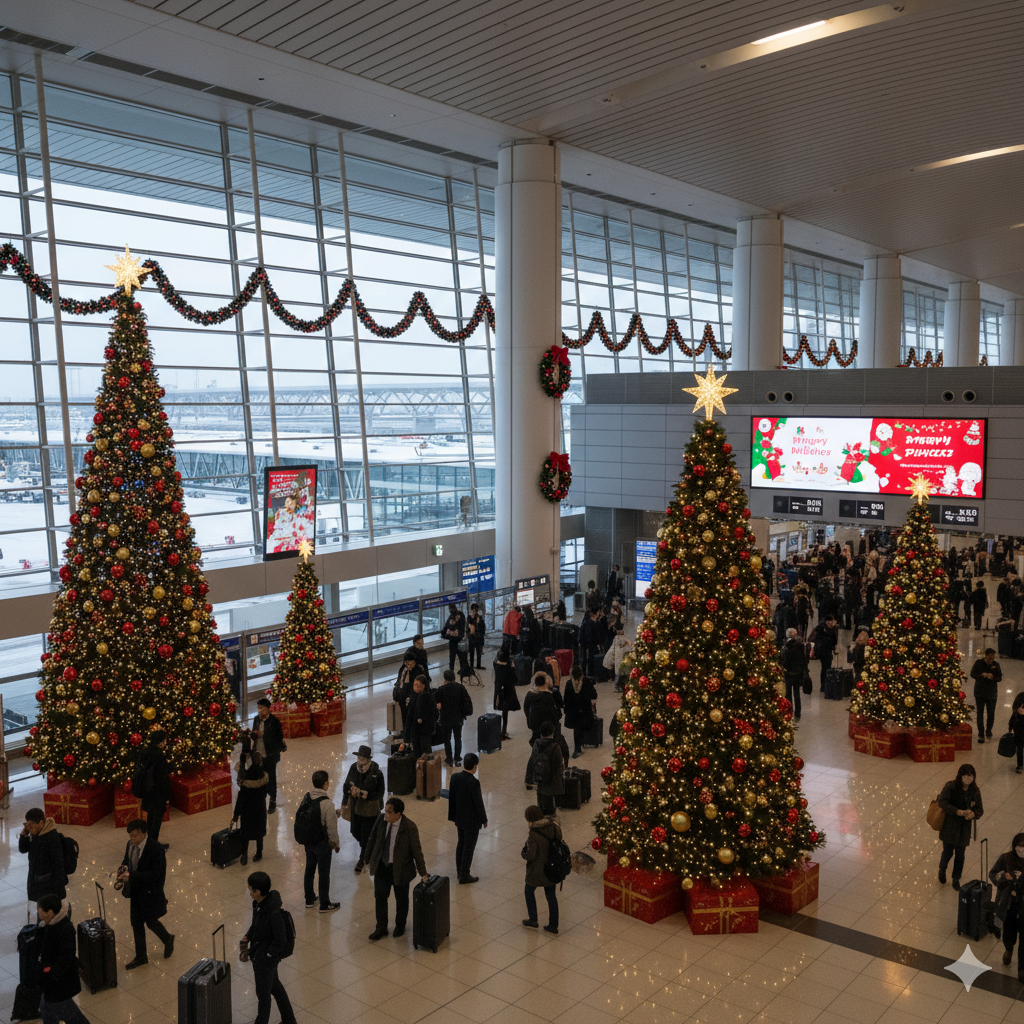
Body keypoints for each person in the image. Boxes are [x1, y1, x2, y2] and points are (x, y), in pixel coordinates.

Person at [365, 797, 429, 940]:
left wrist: (423, 873)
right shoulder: (381, 820)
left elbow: (417, 852)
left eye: (389, 812)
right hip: (382, 866)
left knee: (401, 899)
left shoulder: (409, 827)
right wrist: (366, 858)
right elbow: (372, 838)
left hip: (401, 869)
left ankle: (400, 925)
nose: (386, 814)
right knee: (380, 897)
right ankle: (381, 927)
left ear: (398, 813)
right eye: (385, 810)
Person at [116, 818, 173, 970]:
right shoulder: (130, 845)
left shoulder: (156, 849)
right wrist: (123, 869)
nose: (133, 839)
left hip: (150, 892)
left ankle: (167, 938)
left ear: (144, 833)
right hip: (135, 890)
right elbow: (127, 860)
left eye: (135, 835)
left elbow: (155, 874)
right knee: (136, 923)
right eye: (130, 835)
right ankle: (141, 956)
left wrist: (132, 875)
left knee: (151, 921)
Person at [242, 871, 295, 1024]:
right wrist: (248, 936)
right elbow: (256, 925)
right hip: (260, 953)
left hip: (265, 959)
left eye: (250, 889)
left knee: (263, 994)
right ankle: (289, 1020)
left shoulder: (273, 913)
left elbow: (280, 939)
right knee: (275, 986)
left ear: (257, 892)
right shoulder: (258, 904)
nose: (249, 891)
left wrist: (268, 956)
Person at [35, 893, 90, 1024]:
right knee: (50, 1010)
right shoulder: (49, 925)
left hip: (59, 984)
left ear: (50, 912)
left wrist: (52, 976)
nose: (38, 914)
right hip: (53, 984)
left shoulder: (64, 930)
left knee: (64, 1013)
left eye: (40, 910)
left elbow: (66, 957)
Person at [937, 764, 983, 890]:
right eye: (965, 776)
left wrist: (973, 814)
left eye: (970, 776)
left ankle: (956, 878)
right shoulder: (951, 786)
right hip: (950, 825)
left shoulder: (974, 790)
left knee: (960, 855)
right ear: (960, 776)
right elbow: (942, 802)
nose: (968, 779)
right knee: (947, 851)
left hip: (964, 828)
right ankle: (942, 869)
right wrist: (956, 811)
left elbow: (979, 809)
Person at [341, 745, 386, 872]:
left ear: (368, 759)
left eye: (362, 759)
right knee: (355, 831)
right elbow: (346, 785)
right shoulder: (353, 768)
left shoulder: (376, 773)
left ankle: (363, 858)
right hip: (356, 806)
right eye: (358, 758)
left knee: (366, 834)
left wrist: (366, 794)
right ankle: (368, 847)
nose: (360, 761)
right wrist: (349, 793)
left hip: (370, 809)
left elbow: (380, 793)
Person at [301, 770, 340, 913]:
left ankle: (309, 898)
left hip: (308, 841)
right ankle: (324, 903)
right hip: (322, 843)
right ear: (326, 784)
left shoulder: (307, 797)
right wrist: (335, 843)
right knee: (323, 873)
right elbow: (331, 827)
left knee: (309, 869)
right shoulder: (327, 803)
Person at [448, 752, 487, 884]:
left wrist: (452, 816)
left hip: (459, 818)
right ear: (474, 766)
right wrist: (484, 819)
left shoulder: (454, 777)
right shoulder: (474, 782)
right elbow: (478, 803)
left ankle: (459, 871)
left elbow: (452, 798)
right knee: (469, 847)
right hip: (472, 821)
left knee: (461, 844)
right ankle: (464, 874)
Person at [522, 804, 561, 935]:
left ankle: (533, 919)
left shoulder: (534, 833)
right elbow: (559, 839)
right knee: (551, 895)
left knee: (528, 891)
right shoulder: (554, 826)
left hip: (537, 870)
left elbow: (531, 855)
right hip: (552, 867)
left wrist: (524, 854)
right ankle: (553, 925)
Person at [990, 832, 1024, 979]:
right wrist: (1004, 876)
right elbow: (993, 874)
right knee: (1009, 932)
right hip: (1009, 903)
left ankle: (1022, 968)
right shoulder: (1006, 859)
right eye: (1020, 846)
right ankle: (1009, 949)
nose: (1021, 850)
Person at [19, 807, 67, 904]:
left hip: (49, 885)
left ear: (41, 823)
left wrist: (58, 890)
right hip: (37, 880)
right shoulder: (35, 833)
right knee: (40, 907)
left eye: (31, 825)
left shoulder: (52, 838)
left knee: (47, 909)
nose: (29, 828)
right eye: (27, 825)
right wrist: (24, 836)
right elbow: (23, 849)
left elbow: (58, 864)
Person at [136, 730, 171, 848]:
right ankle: (153, 846)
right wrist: (166, 796)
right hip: (157, 793)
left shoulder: (144, 752)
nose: (165, 742)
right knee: (157, 819)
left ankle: (149, 842)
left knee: (151, 816)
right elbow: (162, 779)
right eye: (164, 739)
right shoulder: (159, 756)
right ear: (160, 741)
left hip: (147, 791)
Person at [232, 757, 269, 866]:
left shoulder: (246, 785)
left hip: (247, 811)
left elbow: (240, 801)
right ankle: (259, 852)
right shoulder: (264, 780)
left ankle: (244, 854)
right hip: (260, 810)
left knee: (245, 833)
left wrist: (236, 815)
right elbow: (265, 793)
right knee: (259, 832)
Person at [251, 698, 285, 814]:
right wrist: (254, 734)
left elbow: (279, 738)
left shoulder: (274, 722)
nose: (259, 711)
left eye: (261, 708)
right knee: (260, 777)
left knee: (271, 778)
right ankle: (261, 799)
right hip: (258, 754)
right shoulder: (256, 719)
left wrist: (264, 736)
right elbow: (253, 734)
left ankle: (272, 800)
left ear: (267, 709)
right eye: (258, 708)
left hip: (270, 755)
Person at [436, 669, 473, 767]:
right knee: (458, 738)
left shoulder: (441, 689)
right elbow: (466, 701)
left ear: (444, 678)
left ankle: (449, 758)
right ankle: (457, 757)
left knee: (447, 739)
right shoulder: (460, 687)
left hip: (446, 718)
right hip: (458, 717)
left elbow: (435, 700)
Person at [563, 665, 597, 758]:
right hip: (585, 710)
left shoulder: (569, 684)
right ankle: (581, 744)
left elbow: (566, 699)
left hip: (573, 711)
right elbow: (594, 694)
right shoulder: (586, 682)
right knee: (582, 727)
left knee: (577, 728)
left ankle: (577, 747)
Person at [531, 722, 565, 815]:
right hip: (551, 778)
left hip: (540, 775)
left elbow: (533, 758)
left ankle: (541, 811)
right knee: (549, 798)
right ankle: (550, 814)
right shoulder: (555, 746)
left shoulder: (537, 743)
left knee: (541, 795)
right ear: (553, 732)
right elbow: (558, 764)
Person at [400, 675, 437, 760]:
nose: (415, 687)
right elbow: (409, 715)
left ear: (423, 686)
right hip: (414, 730)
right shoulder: (412, 696)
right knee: (416, 752)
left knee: (425, 752)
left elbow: (433, 713)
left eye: (418, 685)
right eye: (414, 685)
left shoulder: (428, 697)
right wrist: (406, 734)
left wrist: (423, 719)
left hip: (425, 730)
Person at [970, 647, 1002, 742]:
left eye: (992, 658)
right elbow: (972, 674)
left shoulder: (996, 665)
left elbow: (1000, 677)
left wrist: (993, 677)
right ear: (985, 656)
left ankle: (988, 730)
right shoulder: (978, 663)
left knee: (991, 714)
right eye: (989, 658)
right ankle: (981, 734)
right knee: (980, 713)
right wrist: (982, 675)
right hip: (980, 693)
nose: (990, 660)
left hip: (992, 694)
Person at [492, 643, 521, 740]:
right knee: (505, 710)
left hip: (499, 688)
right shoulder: (509, 665)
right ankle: (503, 730)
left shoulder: (496, 663)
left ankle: (501, 730)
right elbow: (514, 678)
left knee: (500, 707)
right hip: (508, 689)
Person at [780, 628, 806, 721]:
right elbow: (803, 660)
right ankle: (798, 713)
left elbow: (784, 660)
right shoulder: (800, 645)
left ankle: (789, 711)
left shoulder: (786, 647)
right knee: (797, 693)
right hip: (798, 673)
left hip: (788, 673)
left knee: (788, 694)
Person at [603, 625, 634, 691]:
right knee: (623, 673)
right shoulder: (625, 638)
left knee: (618, 673)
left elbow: (613, 649)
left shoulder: (617, 638)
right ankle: (622, 686)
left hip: (619, 659)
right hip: (623, 658)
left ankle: (618, 686)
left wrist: (609, 658)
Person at [442, 602, 468, 674]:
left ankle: (453, 670)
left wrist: (445, 634)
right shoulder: (458, 615)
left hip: (456, 640)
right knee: (459, 656)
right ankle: (460, 669)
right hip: (457, 639)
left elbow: (449, 626)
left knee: (454, 656)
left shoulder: (455, 616)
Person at [814, 615, 838, 692]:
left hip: (824, 650)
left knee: (825, 668)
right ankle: (825, 686)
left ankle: (824, 686)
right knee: (826, 668)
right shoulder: (825, 629)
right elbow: (833, 640)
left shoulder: (821, 627)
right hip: (825, 651)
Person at [392, 652, 419, 723]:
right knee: (404, 716)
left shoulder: (418, 670)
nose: (410, 665)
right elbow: (399, 680)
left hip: (412, 696)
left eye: (412, 663)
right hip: (402, 696)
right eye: (408, 663)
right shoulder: (403, 669)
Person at [467, 603, 486, 669]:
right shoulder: (469, 618)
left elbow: (483, 627)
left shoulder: (480, 618)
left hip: (478, 638)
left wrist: (482, 636)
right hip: (472, 638)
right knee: (471, 652)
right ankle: (471, 665)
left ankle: (478, 665)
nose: (475, 611)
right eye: (474, 610)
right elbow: (468, 628)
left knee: (479, 652)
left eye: (476, 610)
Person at [1010, 694, 1024, 774]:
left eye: (1023, 707)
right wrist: (1010, 729)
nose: (1020, 709)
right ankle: (1020, 764)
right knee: (1019, 750)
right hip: (1018, 736)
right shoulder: (1016, 715)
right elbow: (1011, 722)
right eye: (1019, 706)